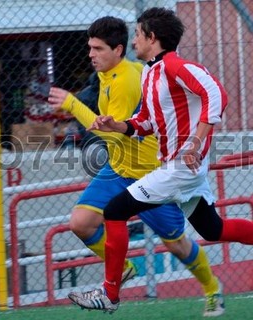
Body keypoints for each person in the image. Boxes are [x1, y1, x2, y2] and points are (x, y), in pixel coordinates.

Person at [69, 7, 253, 315]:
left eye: (138, 35)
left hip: (179, 168)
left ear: (152, 38)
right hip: (178, 169)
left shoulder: (174, 65)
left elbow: (216, 93)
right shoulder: (152, 73)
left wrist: (196, 140)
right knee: (212, 230)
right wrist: (117, 125)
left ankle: (110, 295)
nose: (134, 41)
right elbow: (146, 122)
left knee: (114, 211)